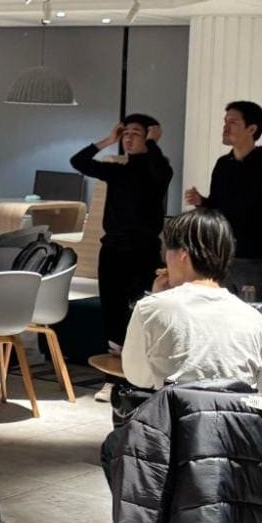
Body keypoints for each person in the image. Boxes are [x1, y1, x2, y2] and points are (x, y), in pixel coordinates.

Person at [122, 207, 262, 396]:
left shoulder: (150, 308)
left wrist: (156, 298)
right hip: (237, 414)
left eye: (167, 249)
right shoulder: (257, 321)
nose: (165, 258)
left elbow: (137, 375)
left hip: (175, 412)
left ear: (183, 254)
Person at [70, 114, 173, 350]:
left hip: (144, 250)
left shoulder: (157, 170)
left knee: (145, 303)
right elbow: (78, 161)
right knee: (112, 306)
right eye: (125, 133)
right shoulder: (117, 171)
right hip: (113, 249)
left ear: (148, 136)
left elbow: (160, 172)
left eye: (136, 133)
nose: (128, 138)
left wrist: (152, 143)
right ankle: (114, 353)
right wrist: (109, 140)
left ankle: (142, 354)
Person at [185, 100, 262, 301]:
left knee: (252, 313)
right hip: (221, 257)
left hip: (254, 259)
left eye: (233, 122)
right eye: (225, 121)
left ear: (251, 129)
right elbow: (219, 207)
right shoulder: (223, 165)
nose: (225, 127)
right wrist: (202, 202)